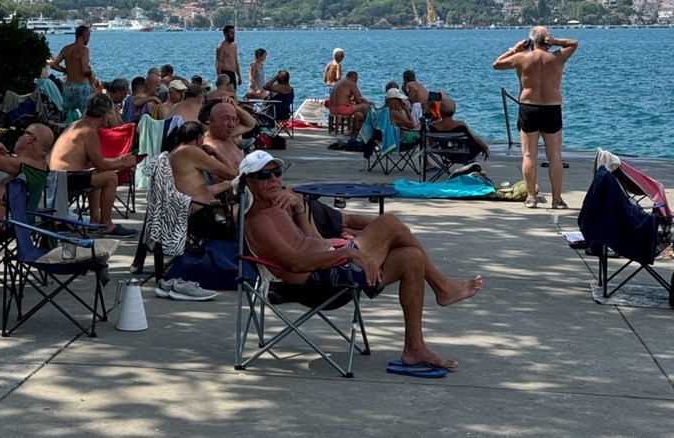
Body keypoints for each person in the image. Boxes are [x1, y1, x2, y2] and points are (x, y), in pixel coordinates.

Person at [239, 151, 482, 371]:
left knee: (411, 257)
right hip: (316, 283)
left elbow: (314, 239)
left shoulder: (278, 205)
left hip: (330, 267)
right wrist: (347, 253)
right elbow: (293, 263)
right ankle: (443, 287)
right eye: (263, 175)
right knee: (388, 222)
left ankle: (414, 348)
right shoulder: (257, 219)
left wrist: (299, 210)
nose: (273, 179)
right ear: (248, 182)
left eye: (276, 172)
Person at [492, 26, 577, 209]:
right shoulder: (557, 57)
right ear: (546, 40)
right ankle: (557, 199)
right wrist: (555, 42)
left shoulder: (522, 58)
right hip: (552, 108)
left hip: (529, 108)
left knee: (529, 154)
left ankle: (531, 197)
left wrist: (515, 49)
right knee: (554, 155)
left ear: (530, 41)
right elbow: (573, 43)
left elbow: (496, 64)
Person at [48, 94, 138, 236]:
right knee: (110, 177)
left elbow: (93, 161)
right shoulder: (88, 130)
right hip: (64, 180)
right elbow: (101, 164)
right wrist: (122, 163)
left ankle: (95, 220)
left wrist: (120, 161)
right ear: (105, 115)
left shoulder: (77, 125)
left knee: (97, 175)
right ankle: (107, 224)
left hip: (56, 177)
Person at [0, 124, 55, 220]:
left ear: (30, 138)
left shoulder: (27, 164)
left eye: (23, 132)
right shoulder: (37, 164)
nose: (19, 137)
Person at [169, 121, 240, 238]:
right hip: (206, 214)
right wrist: (216, 153)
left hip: (194, 212)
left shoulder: (173, 154)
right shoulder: (191, 151)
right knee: (249, 211)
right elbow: (231, 173)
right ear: (199, 138)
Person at [50, 25, 97, 114]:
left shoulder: (66, 49)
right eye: (89, 36)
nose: (89, 39)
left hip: (68, 87)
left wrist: (66, 70)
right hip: (81, 88)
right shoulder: (84, 50)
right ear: (84, 36)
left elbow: (53, 65)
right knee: (83, 116)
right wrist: (91, 75)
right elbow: (84, 69)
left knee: (68, 116)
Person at [202, 101, 258, 174]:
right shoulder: (210, 147)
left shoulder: (225, 135)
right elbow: (220, 178)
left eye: (234, 119)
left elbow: (251, 124)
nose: (231, 124)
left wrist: (235, 108)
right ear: (211, 120)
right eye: (226, 118)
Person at [328, 71, 373, 137]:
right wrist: (366, 101)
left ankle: (355, 129)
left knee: (359, 111)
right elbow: (359, 101)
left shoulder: (339, 82)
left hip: (332, 109)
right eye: (356, 80)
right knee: (365, 107)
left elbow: (342, 98)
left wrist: (352, 100)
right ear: (353, 78)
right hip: (341, 109)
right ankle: (368, 130)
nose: (356, 82)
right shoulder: (351, 83)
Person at [215, 25, 240, 90]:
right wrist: (219, 77)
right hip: (224, 73)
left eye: (234, 33)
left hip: (232, 73)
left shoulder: (234, 46)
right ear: (226, 34)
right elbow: (218, 62)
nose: (233, 35)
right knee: (227, 94)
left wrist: (239, 76)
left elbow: (236, 61)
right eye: (231, 33)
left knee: (233, 94)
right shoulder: (221, 46)